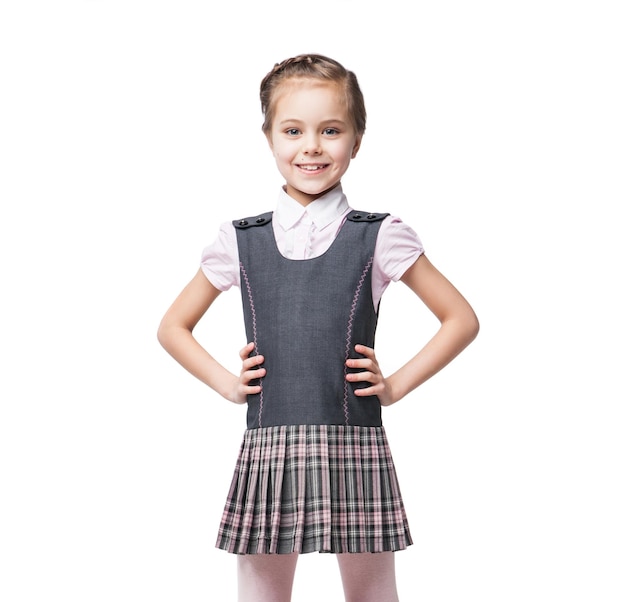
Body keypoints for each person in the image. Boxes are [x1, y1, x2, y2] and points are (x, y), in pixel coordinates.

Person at [157, 53, 479, 602]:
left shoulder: (379, 234)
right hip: (269, 441)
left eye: (331, 130)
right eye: (293, 130)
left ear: (356, 141)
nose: (312, 146)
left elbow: (461, 318)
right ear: (269, 139)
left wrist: (394, 385)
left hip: (353, 440)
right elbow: (173, 327)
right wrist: (229, 384)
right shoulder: (240, 238)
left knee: (372, 592)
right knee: (262, 591)